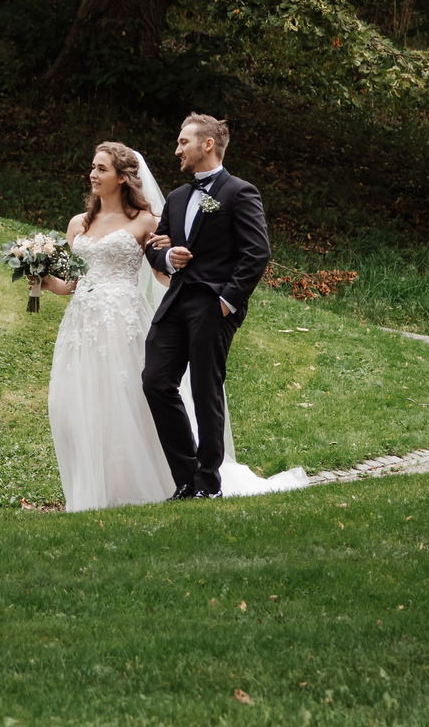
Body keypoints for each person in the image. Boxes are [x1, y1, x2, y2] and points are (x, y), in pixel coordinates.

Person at [41, 142, 179, 511]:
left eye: (101, 169)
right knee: (72, 403)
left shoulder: (146, 221)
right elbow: (70, 283)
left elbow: (162, 276)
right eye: (92, 167)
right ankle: (90, 494)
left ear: (122, 177)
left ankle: (144, 486)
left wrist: (178, 263)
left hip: (122, 320)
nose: (93, 174)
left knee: (125, 403)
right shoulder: (78, 224)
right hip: (81, 324)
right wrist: (43, 281)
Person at [143, 112, 274, 499]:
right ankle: (185, 477)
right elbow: (156, 246)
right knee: (155, 381)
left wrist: (226, 302)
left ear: (208, 144)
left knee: (205, 389)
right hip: (176, 301)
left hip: (212, 305)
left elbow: (257, 253)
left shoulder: (239, 192)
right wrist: (169, 260)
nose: (177, 149)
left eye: (184, 141)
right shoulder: (178, 196)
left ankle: (208, 485)